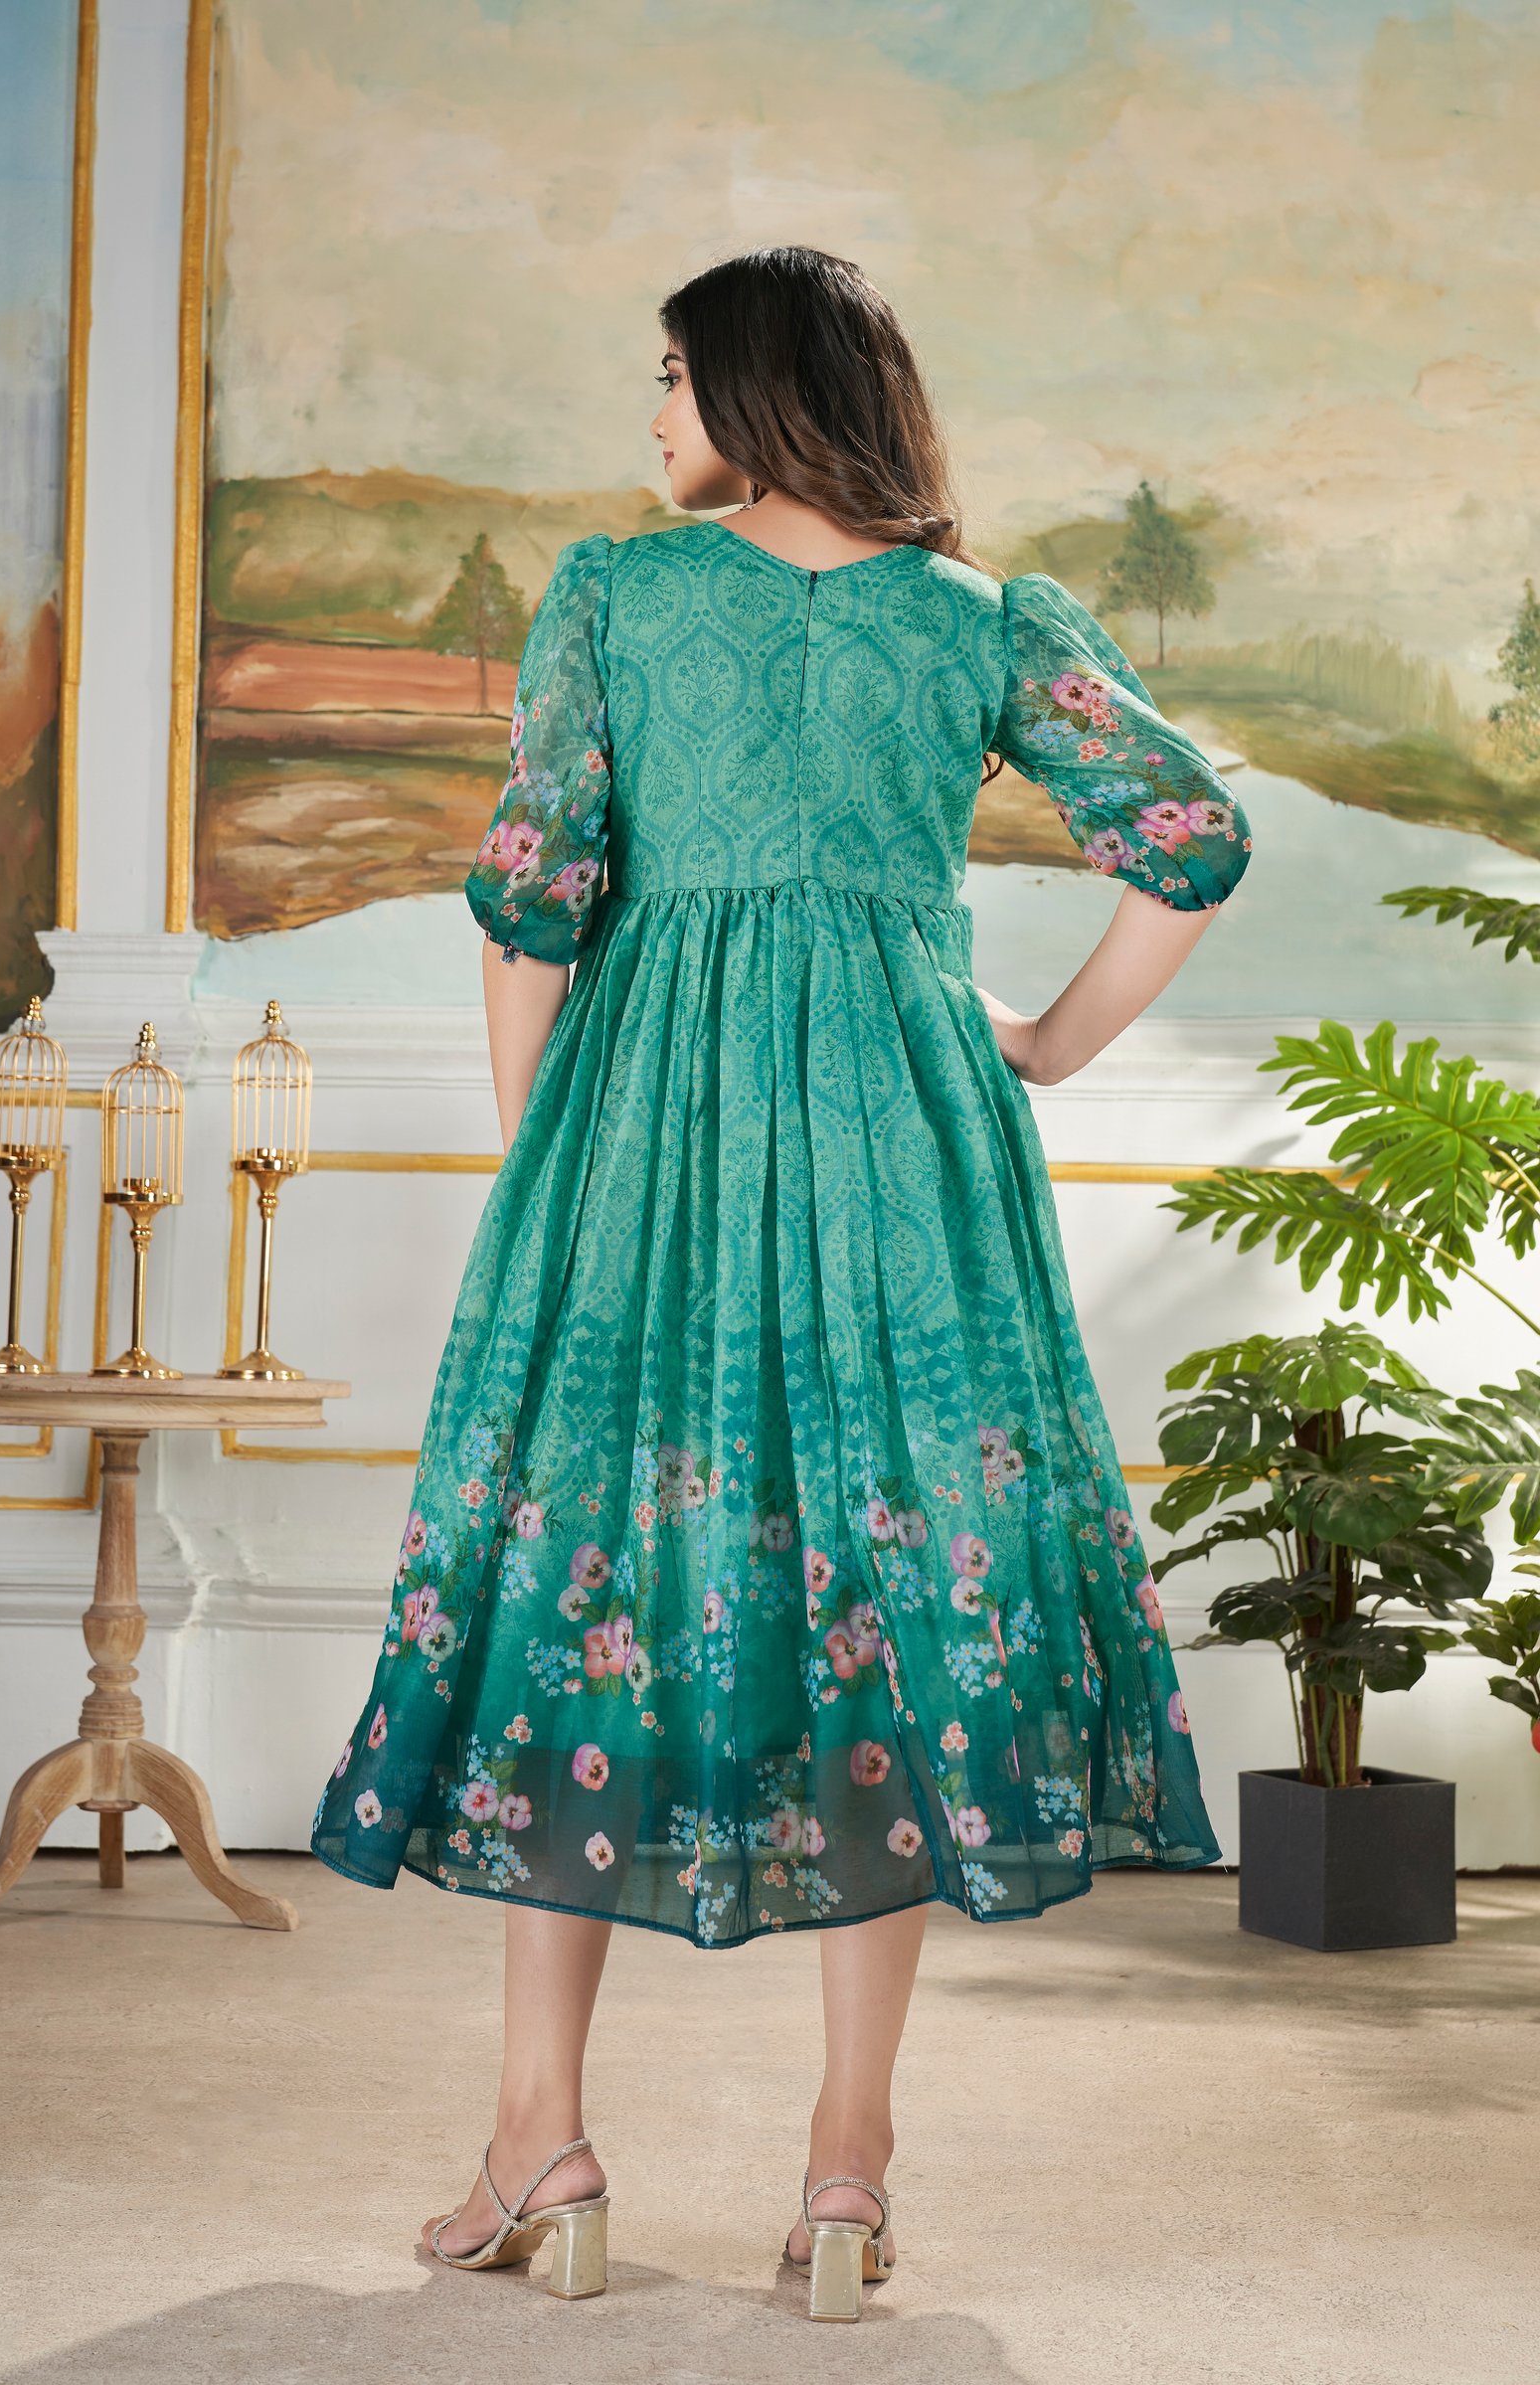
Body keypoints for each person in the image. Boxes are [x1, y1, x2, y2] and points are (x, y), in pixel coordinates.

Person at [310, 245, 1251, 2321]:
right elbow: (1185, 837)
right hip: (908, 1142)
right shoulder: (983, 619)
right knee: (885, 1605)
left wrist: (541, 1162)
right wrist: (1040, 1045)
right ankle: (846, 2172)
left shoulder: (615, 597)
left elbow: (537, 899)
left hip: (640, 1138)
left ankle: (539, 2140)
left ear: (753, 385)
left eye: (670, 374)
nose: (652, 412)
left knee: (585, 1591)